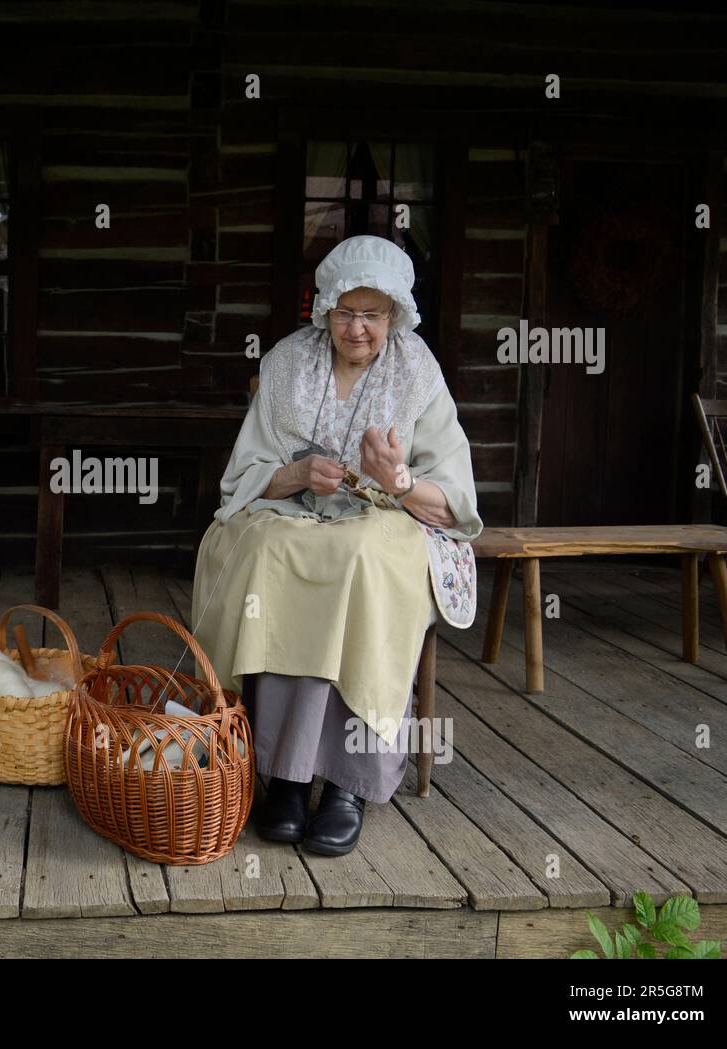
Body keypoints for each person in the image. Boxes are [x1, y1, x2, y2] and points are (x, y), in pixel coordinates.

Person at [191, 235, 482, 856]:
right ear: (323, 309)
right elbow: (243, 477)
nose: (357, 329)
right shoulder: (287, 364)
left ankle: (348, 784)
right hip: (294, 515)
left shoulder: (418, 374)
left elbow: (455, 502)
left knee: (358, 557)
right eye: (346, 312)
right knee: (267, 551)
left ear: (394, 316)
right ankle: (286, 779)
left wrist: (397, 480)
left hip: (386, 524)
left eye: (373, 315)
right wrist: (297, 474)